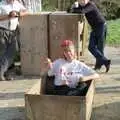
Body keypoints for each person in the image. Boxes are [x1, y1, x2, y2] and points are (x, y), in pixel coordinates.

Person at [67, 0, 111, 72]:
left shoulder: (91, 5)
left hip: (101, 26)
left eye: (84, 0)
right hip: (94, 28)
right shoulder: (81, 6)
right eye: (81, 0)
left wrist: (75, 9)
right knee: (91, 47)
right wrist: (73, 6)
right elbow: (68, 10)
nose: (83, 1)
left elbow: (82, 11)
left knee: (100, 48)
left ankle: (98, 65)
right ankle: (106, 62)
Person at [0, 0, 29, 81]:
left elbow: (27, 11)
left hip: (13, 32)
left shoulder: (17, 4)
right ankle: (3, 74)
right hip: (2, 31)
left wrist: (19, 14)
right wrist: (8, 16)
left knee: (14, 50)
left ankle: (2, 72)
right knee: (3, 53)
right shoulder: (1, 4)